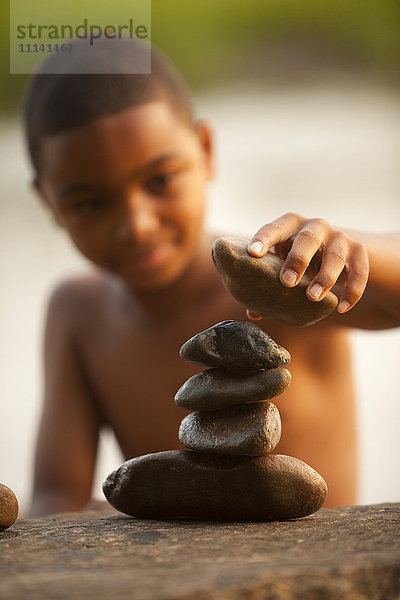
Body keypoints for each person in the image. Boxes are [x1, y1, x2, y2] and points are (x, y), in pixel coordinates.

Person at [24, 38, 400, 516]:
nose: (136, 225)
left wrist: (349, 249)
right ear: (48, 202)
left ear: (205, 150)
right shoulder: (77, 312)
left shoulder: (285, 277)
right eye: (90, 203)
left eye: (160, 181)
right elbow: (56, 499)